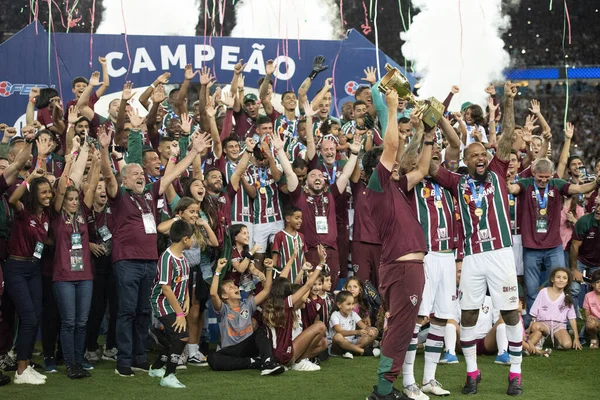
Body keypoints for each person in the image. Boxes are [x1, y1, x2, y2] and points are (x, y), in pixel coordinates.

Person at [431, 82, 524, 396]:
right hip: (471, 256)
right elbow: (429, 166)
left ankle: (515, 373)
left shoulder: (498, 172)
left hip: (500, 253)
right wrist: (426, 128)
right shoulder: (456, 182)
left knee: (510, 311)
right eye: (474, 155)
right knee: (468, 314)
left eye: (483, 153)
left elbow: (509, 136)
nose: (481, 157)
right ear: (466, 161)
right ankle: (472, 371)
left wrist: (508, 102)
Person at [99, 123, 212, 377]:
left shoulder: (149, 194)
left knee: (143, 312)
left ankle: (139, 358)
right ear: (125, 178)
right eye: (135, 173)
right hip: (126, 261)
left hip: (150, 261)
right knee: (126, 312)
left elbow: (172, 175)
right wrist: (105, 150)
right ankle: (123, 362)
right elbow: (108, 174)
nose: (141, 175)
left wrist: (193, 152)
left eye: (142, 173)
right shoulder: (119, 195)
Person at [365, 89, 433, 400]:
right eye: (388, 164)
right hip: (403, 268)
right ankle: (383, 391)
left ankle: (385, 387)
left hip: (406, 267)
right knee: (402, 330)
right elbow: (391, 145)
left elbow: (420, 169)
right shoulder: (377, 186)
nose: (394, 166)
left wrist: (428, 136)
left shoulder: (394, 187)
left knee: (402, 329)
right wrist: (391, 109)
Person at [272, 120, 362, 290]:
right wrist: (280, 151)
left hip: (332, 252)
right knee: (310, 292)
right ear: (306, 182)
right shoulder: (299, 195)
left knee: (330, 291)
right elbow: (290, 173)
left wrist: (355, 153)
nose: (318, 177)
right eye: (313, 176)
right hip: (310, 252)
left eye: (320, 176)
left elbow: (345, 175)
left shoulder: (331, 194)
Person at [506, 155, 599, 312]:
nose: (543, 181)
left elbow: (580, 189)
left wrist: (596, 182)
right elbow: (512, 189)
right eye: (540, 177)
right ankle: (532, 321)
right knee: (531, 287)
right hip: (531, 246)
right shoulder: (526, 183)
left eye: (547, 178)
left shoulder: (556, 184)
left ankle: (558, 318)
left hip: (554, 246)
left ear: (552, 175)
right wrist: (507, 180)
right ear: (533, 173)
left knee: (560, 283)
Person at [51, 142, 96, 379]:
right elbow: (60, 189)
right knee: (68, 322)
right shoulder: (57, 215)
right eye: (69, 198)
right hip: (64, 276)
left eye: (74, 199)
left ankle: (79, 360)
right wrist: (70, 161)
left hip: (85, 275)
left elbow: (88, 185)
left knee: (81, 322)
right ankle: (70, 363)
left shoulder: (82, 213)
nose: (73, 201)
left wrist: (93, 157)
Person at [157, 197, 218, 366]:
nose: (194, 215)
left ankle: (192, 350)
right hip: (179, 270)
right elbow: (161, 228)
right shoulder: (176, 227)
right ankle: (180, 351)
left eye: (196, 211)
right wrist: (178, 218)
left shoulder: (197, 228)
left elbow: (214, 242)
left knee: (196, 312)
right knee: (182, 310)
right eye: (191, 211)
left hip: (196, 271)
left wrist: (204, 224)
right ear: (181, 211)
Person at [207, 258, 284, 375]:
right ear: (224, 295)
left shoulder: (247, 304)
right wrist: (218, 270)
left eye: (235, 286)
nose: (236, 288)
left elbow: (267, 290)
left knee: (260, 331)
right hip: (231, 350)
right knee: (213, 359)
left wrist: (269, 269)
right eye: (231, 288)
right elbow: (213, 293)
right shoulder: (223, 310)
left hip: (247, 346)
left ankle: (268, 362)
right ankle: (252, 362)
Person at [147, 220, 193, 388]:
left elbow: (184, 281)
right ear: (185, 239)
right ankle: (169, 375)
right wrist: (179, 313)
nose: (193, 241)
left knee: (174, 337)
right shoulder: (167, 258)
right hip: (162, 303)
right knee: (182, 336)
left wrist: (187, 299)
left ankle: (156, 367)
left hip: (176, 303)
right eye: (192, 238)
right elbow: (166, 289)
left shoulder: (183, 258)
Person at [262, 256, 328, 372]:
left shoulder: (270, 303)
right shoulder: (286, 304)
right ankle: (298, 361)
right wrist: (321, 263)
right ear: (287, 292)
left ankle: (296, 361)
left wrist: (292, 256)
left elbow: (280, 281)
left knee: (323, 342)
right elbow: (308, 285)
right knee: (320, 326)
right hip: (285, 355)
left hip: (275, 354)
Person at [527, 268, 582, 351]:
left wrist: (576, 338)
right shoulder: (543, 292)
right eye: (558, 277)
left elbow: (572, 318)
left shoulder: (567, 297)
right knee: (536, 326)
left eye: (564, 278)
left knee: (567, 345)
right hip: (543, 324)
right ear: (553, 279)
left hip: (559, 325)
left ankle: (557, 340)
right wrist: (529, 328)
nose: (561, 280)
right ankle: (540, 338)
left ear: (567, 282)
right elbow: (534, 313)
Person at [330, 290, 379, 358]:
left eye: (352, 304)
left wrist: (369, 330)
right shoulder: (335, 315)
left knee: (375, 331)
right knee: (338, 336)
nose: (352, 307)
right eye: (348, 304)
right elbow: (340, 332)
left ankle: (350, 351)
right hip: (339, 345)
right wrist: (357, 332)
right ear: (339, 305)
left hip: (353, 342)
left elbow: (364, 326)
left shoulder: (353, 314)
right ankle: (363, 351)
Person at [271, 206, 308, 282]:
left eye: (301, 218)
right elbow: (275, 257)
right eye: (297, 218)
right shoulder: (279, 236)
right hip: (284, 279)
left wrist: (306, 270)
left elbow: (303, 256)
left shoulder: (301, 236)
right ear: (288, 219)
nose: (300, 221)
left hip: (299, 278)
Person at [583, 270, 600, 348]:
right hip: (595, 320)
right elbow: (587, 311)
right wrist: (589, 317)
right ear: (593, 284)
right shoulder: (588, 296)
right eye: (598, 282)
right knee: (590, 323)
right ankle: (594, 338)